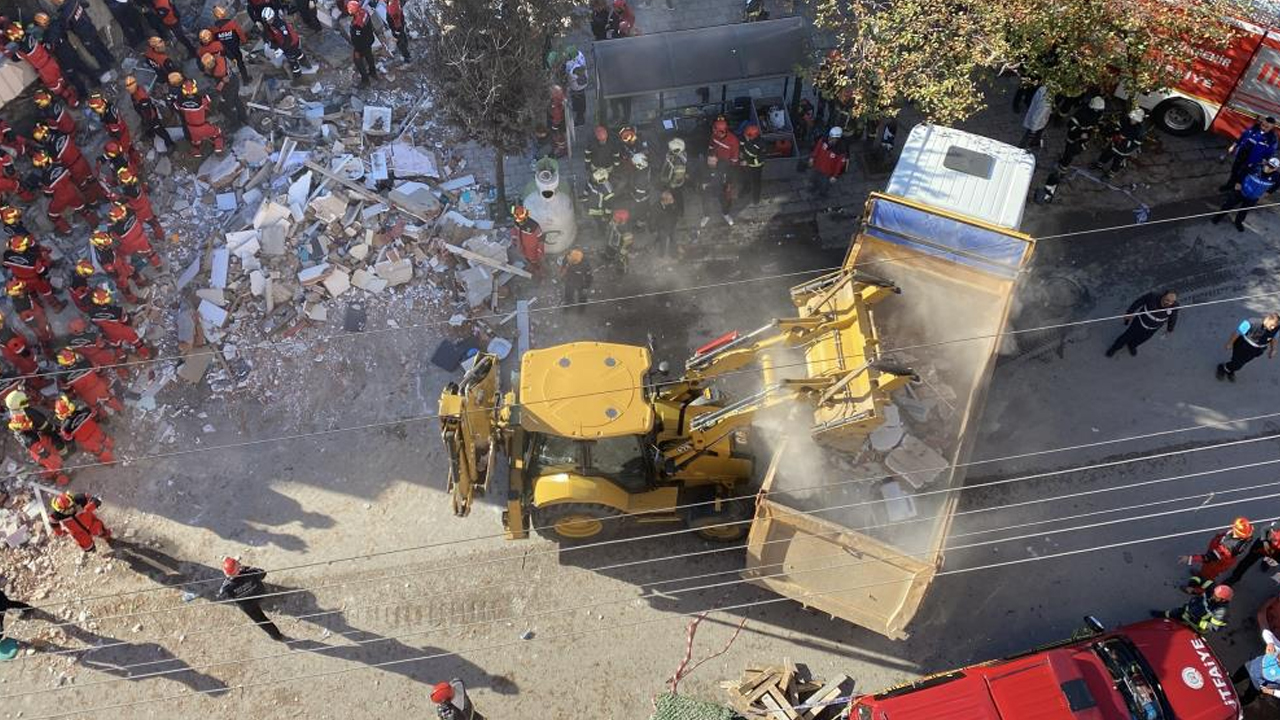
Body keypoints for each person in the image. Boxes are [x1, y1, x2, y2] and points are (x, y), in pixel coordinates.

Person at [4, 22, 78, 107]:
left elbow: (15, 58)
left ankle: (71, 101)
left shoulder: (23, 48)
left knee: (55, 86)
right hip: (50, 61)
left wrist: (5, 50)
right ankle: (72, 96)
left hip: (44, 69)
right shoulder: (29, 36)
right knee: (60, 79)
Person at [218, 557, 286, 641]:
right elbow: (262, 573)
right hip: (259, 593)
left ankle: (276, 636)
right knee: (261, 602)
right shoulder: (249, 572)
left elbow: (222, 596)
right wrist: (246, 568)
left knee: (261, 620)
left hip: (248, 605)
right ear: (238, 567)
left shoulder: (226, 587)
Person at [1180, 517, 1254, 593]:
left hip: (1215, 563)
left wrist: (1190, 558)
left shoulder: (1228, 548)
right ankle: (1201, 575)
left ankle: (1197, 590)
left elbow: (1208, 557)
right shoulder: (1246, 537)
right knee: (1205, 571)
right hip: (1218, 560)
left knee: (1208, 578)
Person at [31, 12, 93, 98]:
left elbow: (50, 49)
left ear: (41, 24)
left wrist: (43, 43)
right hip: (70, 49)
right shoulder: (56, 24)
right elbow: (64, 31)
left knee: (73, 77)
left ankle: (83, 94)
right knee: (82, 66)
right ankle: (96, 80)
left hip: (64, 57)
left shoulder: (47, 36)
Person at [1213, 155, 1280, 231]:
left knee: (1244, 211)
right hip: (1241, 191)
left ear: (1276, 169)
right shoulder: (1255, 167)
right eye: (1268, 164)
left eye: (1271, 167)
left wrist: (1268, 192)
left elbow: (1277, 185)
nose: (1268, 167)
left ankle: (1238, 222)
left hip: (1253, 197)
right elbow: (1243, 171)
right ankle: (1218, 217)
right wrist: (1238, 182)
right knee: (1228, 205)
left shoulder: (1277, 177)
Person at [50, 0, 115, 76]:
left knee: (95, 51)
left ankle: (106, 66)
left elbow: (66, 27)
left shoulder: (64, 14)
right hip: (90, 26)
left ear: (57, 2)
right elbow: (86, 4)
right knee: (99, 43)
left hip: (84, 34)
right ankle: (111, 58)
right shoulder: (74, 2)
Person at [1105, 290, 1178, 357]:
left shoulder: (1174, 306)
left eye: (1172, 301)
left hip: (1152, 329)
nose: (1169, 303)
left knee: (1141, 340)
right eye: (1167, 300)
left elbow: (1173, 317)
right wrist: (1129, 312)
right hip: (1139, 323)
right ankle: (1114, 348)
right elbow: (1138, 303)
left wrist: (1170, 329)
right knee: (1126, 336)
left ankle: (1132, 346)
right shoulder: (1152, 297)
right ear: (1163, 296)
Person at [89, 287, 155, 359]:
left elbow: (95, 324)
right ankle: (146, 354)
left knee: (115, 345)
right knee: (136, 342)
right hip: (123, 330)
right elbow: (125, 320)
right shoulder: (117, 310)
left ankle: (121, 356)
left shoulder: (92, 313)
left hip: (109, 333)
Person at [56, 349, 123, 414]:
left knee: (98, 409)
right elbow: (100, 372)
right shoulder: (86, 362)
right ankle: (121, 411)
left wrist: (77, 399)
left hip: (87, 396)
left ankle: (106, 417)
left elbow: (70, 393)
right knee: (111, 401)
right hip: (99, 388)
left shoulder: (63, 376)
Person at [1221, 116, 1279, 191]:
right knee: (1234, 171)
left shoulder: (1272, 139)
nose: (1263, 128)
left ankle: (1237, 190)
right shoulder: (1254, 128)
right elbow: (1242, 137)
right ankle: (1229, 185)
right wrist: (1233, 146)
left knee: (1243, 175)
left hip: (1252, 161)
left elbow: (1270, 152)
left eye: (1267, 127)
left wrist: (1264, 161)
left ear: (1272, 127)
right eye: (1263, 125)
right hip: (1241, 155)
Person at [54, 394, 115, 463]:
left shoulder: (65, 427)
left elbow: (69, 440)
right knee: (104, 439)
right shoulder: (83, 409)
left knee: (98, 450)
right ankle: (113, 447)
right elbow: (95, 414)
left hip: (87, 441)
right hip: (96, 431)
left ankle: (111, 461)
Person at [171, 78, 225, 158]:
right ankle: (218, 149)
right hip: (202, 126)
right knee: (217, 133)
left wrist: (171, 98)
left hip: (191, 128)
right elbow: (214, 94)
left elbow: (175, 106)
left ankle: (196, 152)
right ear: (194, 88)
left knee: (196, 141)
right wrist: (222, 83)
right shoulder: (200, 100)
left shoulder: (180, 101)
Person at [1218, 313, 1279, 382]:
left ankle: (1231, 369)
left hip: (1257, 350)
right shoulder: (1251, 322)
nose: (1273, 328)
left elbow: (1274, 337)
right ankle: (1223, 367)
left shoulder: (1276, 328)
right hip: (1243, 346)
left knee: (1243, 361)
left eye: (1275, 326)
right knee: (1238, 362)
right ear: (1267, 319)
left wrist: (1273, 349)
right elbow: (1237, 332)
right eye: (1272, 325)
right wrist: (1230, 343)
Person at [1152, 583, 1232, 633]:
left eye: (1216, 596)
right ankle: (1161, 615)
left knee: (1182, 633)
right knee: (1174, 612)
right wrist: (1193, 586)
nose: (1213, 596)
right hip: (1188, 610)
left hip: (1195, 625)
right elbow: (1203, 581)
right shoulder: (1212, 591)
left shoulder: (1222, 612)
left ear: (1223, 600)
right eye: (1214, 593)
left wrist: (1199, 622)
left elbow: (1216, 628)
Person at [1091, 108, 1145, 179]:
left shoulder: (1139, 131)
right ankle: (1099, 164)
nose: (1132, 120)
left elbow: (1137, 142)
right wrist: (1112, 134)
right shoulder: (1125, 120)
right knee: (1106, 154)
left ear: (1138, 121)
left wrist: (1126, 142)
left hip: (1124, 150)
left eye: (1134, 119)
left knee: (1117, 162)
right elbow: (1116, 126)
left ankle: (1111, 174)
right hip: (1115, 143)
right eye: (1132, 118)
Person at [125, 75, 174, 153]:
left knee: (159, 130)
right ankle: (150, 135)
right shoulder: (135, 92)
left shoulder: (142, 97)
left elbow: (148, 112)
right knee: (148, 126)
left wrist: (147, 121)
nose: (129, 90)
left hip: (151, 117)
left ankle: (170, 144)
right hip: (144, 114)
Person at [1232, 630, 1280, 706]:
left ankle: (1239, 704)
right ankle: (1230, 682)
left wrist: (1272, 692)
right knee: (1235, 678)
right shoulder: (1278, 647)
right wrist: (1270, 643)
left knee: (1249, 696)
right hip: (1251, 666)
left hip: (1258, 684)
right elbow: (1266, 632)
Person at [201, 52, 247, 128]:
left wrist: (216, 93)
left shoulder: (219, 71)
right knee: (235, 99)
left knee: (230, 103)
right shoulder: (219, 58)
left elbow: (220, 86)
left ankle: (238, 122)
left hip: (231, 85)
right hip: (231, 80)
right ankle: (243, 117)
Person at [210, 6, 250, 80]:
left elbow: (214, 41)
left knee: (227, 66)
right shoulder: (232, 24)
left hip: (224, 51)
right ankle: (246, 79)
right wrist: (244, 41)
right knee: (240, 63)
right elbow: (240, 34)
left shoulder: (214, 29)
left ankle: (231, 80)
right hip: (234, 48)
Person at [808, 126, 848, 200]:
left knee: (824, 184)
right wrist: (812, 157)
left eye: (832, 138)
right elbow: (817, 148)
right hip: (817, 166)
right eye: (830, 137)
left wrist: (835, 176)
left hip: (827, 172)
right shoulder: (824, 139)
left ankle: (822, 194)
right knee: (814, 178)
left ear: (837, 139)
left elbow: (839, 165)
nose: (830, 139)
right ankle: (814, 187)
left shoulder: (841, 149)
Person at [347, 1, 378, 86]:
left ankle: (365, 80)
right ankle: (373, 72)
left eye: (349, 9)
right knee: (369, 56)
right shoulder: (365, 13)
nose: (348, 11)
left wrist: (357, 50)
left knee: (357, 60)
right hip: (369, 39)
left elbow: (358, 39)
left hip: (362, 44)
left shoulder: (357, 24)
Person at [511, 205, 545, 279]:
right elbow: (515, 230)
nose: (519, 222)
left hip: (533, 250)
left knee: (536, 262)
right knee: (527, 259)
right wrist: (514, 239)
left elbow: (541, 239)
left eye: (520, 220)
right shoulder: (517, 221)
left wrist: (540, 251)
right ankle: (531, 268)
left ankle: (540, 274)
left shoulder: (534, 226)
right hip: (523, 248)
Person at [661, 138, 689, 214]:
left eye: (671, 149)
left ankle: (678, 212)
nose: (670, 150)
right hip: (673, 181)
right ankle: (679, 210)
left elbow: (678, 176)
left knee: (676, 197)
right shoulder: (679, 154)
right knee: (677, 196)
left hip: (674, 184)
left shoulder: (679, 161)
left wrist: (672, 185)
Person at [740, 124, 766, 205]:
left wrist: (747, 162)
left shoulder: (761, 144)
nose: (745, 136)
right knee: (745, 178)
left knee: (756, 183)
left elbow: (760, 159)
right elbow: (741, 144)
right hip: (746, 164)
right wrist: (741, 152)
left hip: (756, 167)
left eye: (747, 135)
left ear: (753, 136)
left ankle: (756, 199)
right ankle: (746, 189)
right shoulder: (746, 137)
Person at [1018, 85, 1051, 149]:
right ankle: (1024, 147)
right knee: (1028, 138)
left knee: (1029, 135)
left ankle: (1031, 144)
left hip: (1036, 121)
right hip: (1037, 124)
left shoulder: (1042, 89)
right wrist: (1033, 128)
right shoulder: (1047, 97)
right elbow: (1040, 113)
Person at [564, 46, 588, 127]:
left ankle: (580, 119)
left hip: (576, 87)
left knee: (578, 103)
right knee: (581, 100)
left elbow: (568, 74)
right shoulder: (580, 56)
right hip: (583, 84)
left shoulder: (570, 64)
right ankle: (580, 115)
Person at [653, 190, 680, 258]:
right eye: (670, 200)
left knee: (673, 240)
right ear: (664, 200)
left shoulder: (672, 203)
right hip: (662, 228)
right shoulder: (656, 207)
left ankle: (673, 254)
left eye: (672, 198)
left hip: (672, 225)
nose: (672, 200)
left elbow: (676, 212)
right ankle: (661, 255)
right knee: (663, 242)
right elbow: (652, 219)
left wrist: (675, 221)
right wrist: (653, 230)